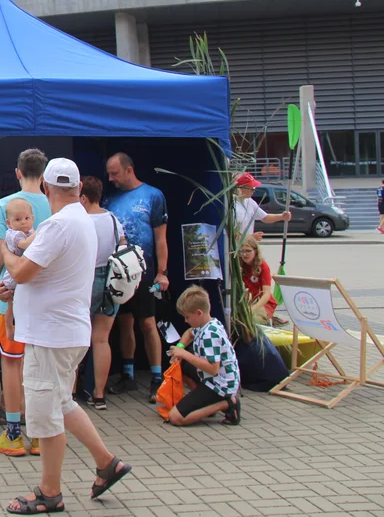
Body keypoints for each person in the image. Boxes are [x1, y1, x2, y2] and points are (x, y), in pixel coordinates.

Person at [2, 158, 132, 513]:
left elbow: (24, 271)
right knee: (61, 403)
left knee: (45, 414)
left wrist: (4, 251)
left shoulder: (58, 225)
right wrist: (16, 283)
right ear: (77, 189)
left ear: (45, 188)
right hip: (66, 330)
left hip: (51, 335)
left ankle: (50, 492)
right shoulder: (82, 220)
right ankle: (107, 463)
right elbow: (43, 274)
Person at [0, 149, 52, 457]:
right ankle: (41, 435)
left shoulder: (5, 205)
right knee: (42, 368)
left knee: (11, 365)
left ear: (17, 173)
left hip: (11, 298)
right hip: (47, 298)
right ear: (43, 174)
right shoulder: (55, 205)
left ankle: (13, 433)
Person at [103, 152, 168, 402]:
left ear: (129, 170)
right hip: (118, 272)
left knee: (148, 323)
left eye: (115, 173)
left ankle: (157, 377)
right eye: (109, 173)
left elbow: (161, 238)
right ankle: (128, 375)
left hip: (145, 271)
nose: (111, 178)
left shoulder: (153, 196)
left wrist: (162, 272)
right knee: (124, 323)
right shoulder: (110, 198)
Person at [80, 176, 125, 410]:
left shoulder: (81, 220)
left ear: (83, 197)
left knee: (76, 337)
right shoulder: (113, 220)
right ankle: (98, 395)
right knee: (101, 339)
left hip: (87, 280)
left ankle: (69, 393)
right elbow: (123, 245)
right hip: (112, 281)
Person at [167, 286, 241, 426]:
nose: (186, 321)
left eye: (187, 317)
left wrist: (185, 354)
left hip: (220, 385)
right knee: (181, 365)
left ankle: (227, 403)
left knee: (175, 418)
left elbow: (213, 368)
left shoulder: (210, 334)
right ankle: (203, 404)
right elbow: (189, 333)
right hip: (212, 379)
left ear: (199, 313)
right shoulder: (205, 324)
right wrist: (180, 347)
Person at [233, 173, 291, 242]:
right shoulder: (231, 204)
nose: (253, 190)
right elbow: (230, 233)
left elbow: (265, 218)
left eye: (254, 187)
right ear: (240, 188)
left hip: (248, 245)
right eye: (251, 188)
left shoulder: (249, 201)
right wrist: (250, 237)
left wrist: (282, 216)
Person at [239, 236, 278, 324]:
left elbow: (266, 294)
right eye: (242, 251)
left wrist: (253, 308)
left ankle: (268, 320)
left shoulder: (263, 266)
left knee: (251, 321)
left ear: (255, 251)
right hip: (249, 302)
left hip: (264, 303)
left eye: (248, 251)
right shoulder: (240, 266)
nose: (245, 254)